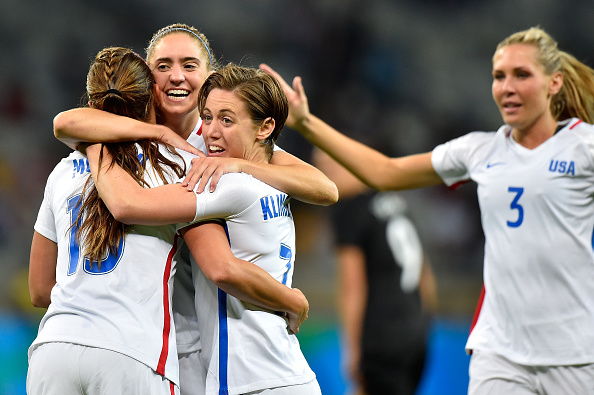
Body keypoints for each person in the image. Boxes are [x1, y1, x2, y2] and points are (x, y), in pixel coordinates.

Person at [261, 26, 594, 394]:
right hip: (500, 352)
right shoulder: (479, 151)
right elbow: (385, 172)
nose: (507, 87)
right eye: (499, 76)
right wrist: (306, 123)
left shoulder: (583, 148)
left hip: (573, 349)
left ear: (555, 83)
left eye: (522, 75)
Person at [52, 23, 338, 395]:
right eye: (163, 65)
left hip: (222, 345)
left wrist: (239, 166)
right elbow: (65, 122)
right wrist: (157, 133)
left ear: (208, 77)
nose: (176, 76)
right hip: (170, 344)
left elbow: (324, 188)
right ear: (146, 76)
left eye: (189, 65)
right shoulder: (132, 137)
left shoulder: (224, 142)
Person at [313, 149, 437, 395]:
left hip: (380, 337)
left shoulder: (350, 210)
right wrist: (422, 327)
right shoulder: (396, 202)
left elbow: (352, 284)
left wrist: (352, 350)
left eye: (331, 167)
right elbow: (426, 277)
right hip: (414, 335)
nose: (326, 176)